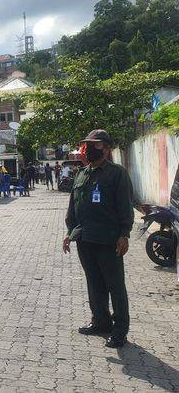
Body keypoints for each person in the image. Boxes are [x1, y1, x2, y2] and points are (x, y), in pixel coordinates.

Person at [63, 129, 134, 348]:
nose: (89, 148)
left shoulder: (117, 173)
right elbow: (73, 207)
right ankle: (100, 322)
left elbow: (125, 207)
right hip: (85, 239)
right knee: (94, 284)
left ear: (105, 147)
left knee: (115, 286)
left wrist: (124, 235)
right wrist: (69, 233)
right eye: (87, 144)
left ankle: (120, 331)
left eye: (95, 145)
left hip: (108, 240)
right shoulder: (82, 173)